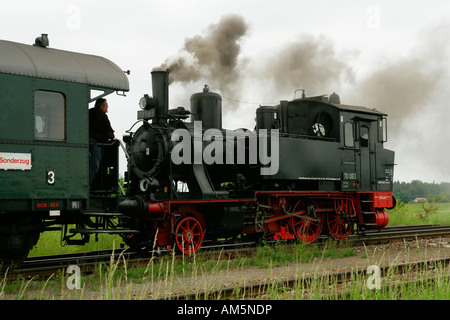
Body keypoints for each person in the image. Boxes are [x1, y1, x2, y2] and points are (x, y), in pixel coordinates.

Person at [89, 98, 116, 185]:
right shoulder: (101, 115)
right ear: (102, 106)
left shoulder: (89, 112)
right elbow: (107, 128)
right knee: (95, 166)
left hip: (88, 142)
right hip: (95, 143)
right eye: (106, 105)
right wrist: (112, 137)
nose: (108, 107)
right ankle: (88, 185)